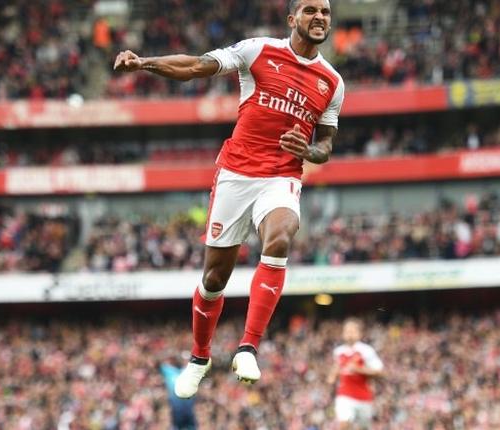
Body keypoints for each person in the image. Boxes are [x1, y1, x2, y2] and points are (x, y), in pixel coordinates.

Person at [113, 0, 344, 399]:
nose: (319, 17)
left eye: (324, 11)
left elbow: (325, 145)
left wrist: (308, 152)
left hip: (282, 176)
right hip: (236, 175)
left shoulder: (332, 82)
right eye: (310, 10)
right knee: (214, 278)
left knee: (281, 238)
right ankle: (200, 357)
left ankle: (248, 347)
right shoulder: (257, 50)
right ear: (293, 19)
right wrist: (144, 63)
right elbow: (196, 66)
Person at [327, 318, 383, 429]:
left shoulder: (366, 351)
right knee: (344, 423)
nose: (350, 334)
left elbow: (380, 372)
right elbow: (335, 371)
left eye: (352, 331)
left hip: (363, 396)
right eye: (347, 331)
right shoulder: (338, 351)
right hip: (344, 394)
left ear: (359, 334)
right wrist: (332, 376)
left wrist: (359, 369)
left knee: (364, 427)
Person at [159, 357, 197, 430]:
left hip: (189, 408)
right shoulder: (169, 371)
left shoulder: (191, 372)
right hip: (175, 408)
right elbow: (157, 362)